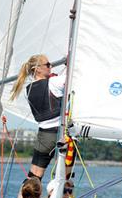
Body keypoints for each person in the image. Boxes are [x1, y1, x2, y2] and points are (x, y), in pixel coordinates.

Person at [9, 54, 74, 187]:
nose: (51, 67)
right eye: (48, 65)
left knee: (33, 177)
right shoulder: (53, 83)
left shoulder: (29, 89)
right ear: (38, 69)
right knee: (65, 178)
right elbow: (72, 77)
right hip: (61, 134)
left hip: (43, 136)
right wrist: (70, 62)